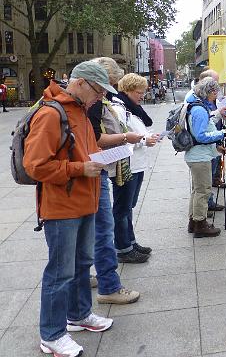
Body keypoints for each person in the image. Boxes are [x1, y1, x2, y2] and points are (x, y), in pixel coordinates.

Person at [23, 61, 115, 356]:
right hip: (62, 207)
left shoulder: (80, 111)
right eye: (98, 90)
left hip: (85, 201)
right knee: (60, 272)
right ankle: (51, 334)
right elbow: (35, 165)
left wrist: (100, 157)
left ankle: (79, 314)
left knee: (82, 263)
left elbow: (86, 150)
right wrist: (80, 168)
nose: (100, 97)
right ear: (81, 83)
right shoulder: (51, 113)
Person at [87, 57, 143, 304]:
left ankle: (87, 275)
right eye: (104, 86)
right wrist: (125, 138)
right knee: (103, 227)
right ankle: (108, 285)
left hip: (94, 168)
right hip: (91, 169)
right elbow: (95, 138)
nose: (105, 93)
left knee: (96, 227)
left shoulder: (93, 102)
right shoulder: (92, 104)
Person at [111, 73, 160, 258]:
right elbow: (119, 139)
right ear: (128, 90)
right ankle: (123, 248)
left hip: (136, 164)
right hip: (126, 165)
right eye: (140, 92)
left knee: (128, 207)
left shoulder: (130, 107)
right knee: (122, 208)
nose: (142, 96)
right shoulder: (119, 108)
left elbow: (136, 132)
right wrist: (144, 140)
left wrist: (147, 137)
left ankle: (130, 242)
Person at [185, 77, 226, 236]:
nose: (216, 95)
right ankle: (200, 224)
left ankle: (193, 222)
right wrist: (222, 133)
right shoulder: (199, 109)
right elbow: (201, 136)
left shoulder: (197, 105)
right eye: (215, 92)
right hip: (200, 157)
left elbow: (203, 131)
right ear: (209, 92)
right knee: (203, 190)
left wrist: (216, 146)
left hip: (198, 155)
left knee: (197, 190)